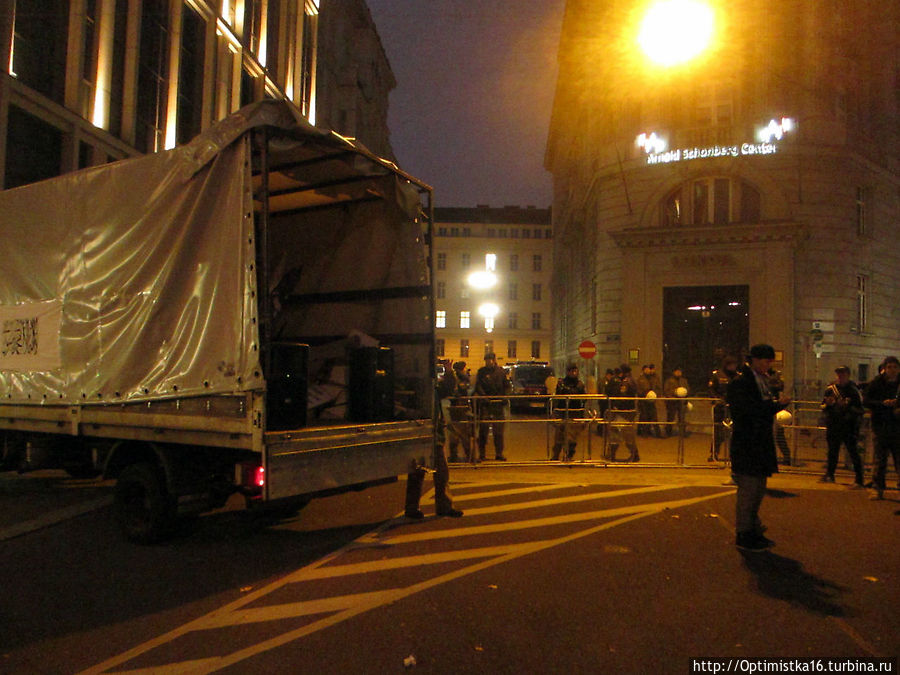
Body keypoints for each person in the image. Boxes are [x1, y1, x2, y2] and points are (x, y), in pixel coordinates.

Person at [727, 343, 791, 552]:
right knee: (749, 489)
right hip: (747, 442)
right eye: (764, 360)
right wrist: (776, 406)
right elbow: (747, 411)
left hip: (760, 441)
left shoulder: (762, 380)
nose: (768, 364)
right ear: (753, 360)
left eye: (770, 360)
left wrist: (775, 401)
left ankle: (753, 529)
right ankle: (744, 533)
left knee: (758, 488)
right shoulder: (742, 382)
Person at [819, 366, 865, 487]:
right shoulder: (830, 389)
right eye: (838, 373)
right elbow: (823, 406)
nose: (840, 376)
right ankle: (830, 474)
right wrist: (828, 404)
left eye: (843, 373)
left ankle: (859, 479)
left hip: (849, 426)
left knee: (853, 452)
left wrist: (848, 407)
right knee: (832, 451)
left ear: (848, 375)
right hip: (834, 424)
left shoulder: (853, 390)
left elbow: (860, 409)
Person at [862, 355, 900, 500]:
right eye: (889, 367)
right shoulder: (877, 383)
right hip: (880, 424)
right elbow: (866, 400)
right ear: (884, 368)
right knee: (880, 459)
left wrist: (896, 405)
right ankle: (878, 488)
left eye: (895, 367)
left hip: (897, 425)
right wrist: (882, 403)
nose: (892, 370)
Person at [474, 352, 511, 461]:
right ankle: (482, 454)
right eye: (486, 360)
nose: (488, 362)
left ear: (494, 360)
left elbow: (507, 386)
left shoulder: (501, 372)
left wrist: (505, 396)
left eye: (490, 359)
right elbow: (478, 386)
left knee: (498, 432)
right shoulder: (481, 372)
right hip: (486, 405)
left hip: (498, 404)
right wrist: (483, 396)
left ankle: (499, 453)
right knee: (483, 431)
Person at [551, 363, 587, 461]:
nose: (574, 373)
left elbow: (583, 398)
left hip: (574, 412)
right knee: (559, 435)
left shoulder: (580, 384)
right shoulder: (561, 382)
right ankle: (556, 455)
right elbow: (560, 395)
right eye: (572, 371)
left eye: (575, 371)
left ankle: (569, 455)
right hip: (562, 412)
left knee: (571, 436)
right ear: (568, 372)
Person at [605, 364, 640, 462]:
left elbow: (622, 396)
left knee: (623, 432)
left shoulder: (625, 382)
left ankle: (633, 455)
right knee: (617, 431)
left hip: (623, 411)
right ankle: (612, 454)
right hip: (628, 411)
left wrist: (616, 405)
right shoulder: (632, 380)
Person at [708, 356, 739, 461]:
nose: (734, 367)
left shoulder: (738, 376)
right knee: (718, 431)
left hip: (734, 407)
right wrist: (717, 399)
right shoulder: (717, 375)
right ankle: (714, 453)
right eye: (731, 365)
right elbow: (712, 390)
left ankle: (734, 454)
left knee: (735, 432)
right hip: (720, 407)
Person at [445, 361, 474, 462]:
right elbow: (464, 387)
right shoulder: (458, 378)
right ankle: (467, 456)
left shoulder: (455, 377)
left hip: (456, 408)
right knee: (463, 433)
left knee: (455, 433)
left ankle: (455, 455)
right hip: (460, 408)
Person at [636, 364, 662, 437]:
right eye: (646, 369)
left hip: (651, 400)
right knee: (644, 416)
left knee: (653, 416)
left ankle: (657, 433)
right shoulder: (641, 379)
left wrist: (655, 394)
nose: (648, 371)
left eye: (648, 369)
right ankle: (644, 432)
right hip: (643, 401)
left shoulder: (652, 378)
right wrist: (645, 394)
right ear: (643, 370)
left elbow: (656, 387)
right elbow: (639, 390)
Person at [663, 367, 690, 437]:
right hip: (672, 402)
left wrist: (686, 398)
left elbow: (687, 390)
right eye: (677, 371)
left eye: (680, 372)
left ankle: (682, 432)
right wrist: (674, 393)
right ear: (674, 372)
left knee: (682, 417)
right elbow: (666, 390)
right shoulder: (669, 381)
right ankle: (668, 431)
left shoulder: (683, 381)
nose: (678, 373)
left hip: (681, 402)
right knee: (670, 417)